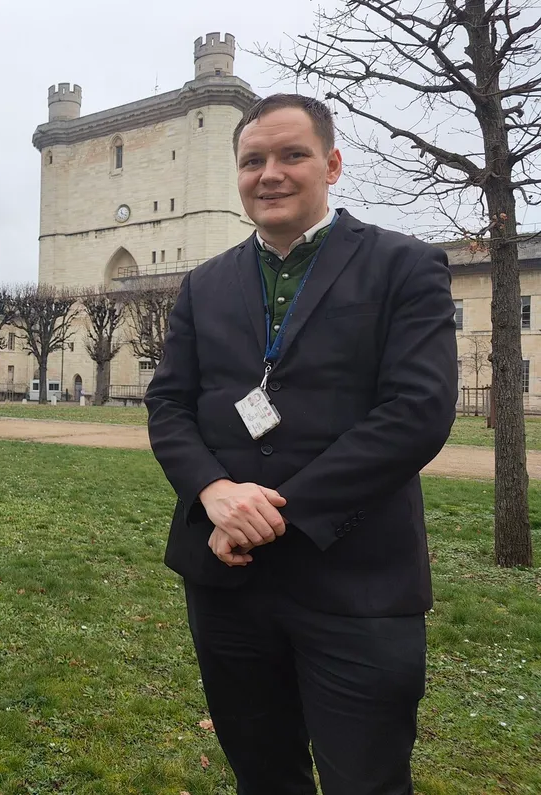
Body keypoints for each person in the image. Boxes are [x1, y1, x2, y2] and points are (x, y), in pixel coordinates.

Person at [143, 93, 458, 794]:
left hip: (355, 581)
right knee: (264, 775)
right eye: (253, 160)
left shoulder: (403, 267)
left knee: (366, 780)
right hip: (227, 581)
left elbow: (416, 412)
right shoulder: (205, 283)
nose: (270, 174)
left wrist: (275, 511)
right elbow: (168, 403)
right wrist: (215, 491)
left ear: (332, 164)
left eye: (292, 155)